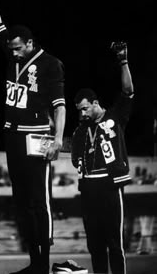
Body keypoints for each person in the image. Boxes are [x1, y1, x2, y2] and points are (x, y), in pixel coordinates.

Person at [0, 0, 66, 274]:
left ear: (29, 44)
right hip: (13, 134)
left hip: (38, 135)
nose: (11, 54)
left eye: (16, 49)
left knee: (41, 199)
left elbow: (60, 106)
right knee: (22, 200)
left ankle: (44, 263)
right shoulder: (13, 53)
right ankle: (33, 263)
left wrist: (59, 139)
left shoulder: (51, 65)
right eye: (9, 49)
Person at [71, 42, 134, 274]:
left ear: (96, 103)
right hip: (87, 188)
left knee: (114, 245)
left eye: (85, 108)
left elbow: (128, 92)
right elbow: (74, 154)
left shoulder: (115, 117)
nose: (82, 113)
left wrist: (123, 61)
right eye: (79, 110)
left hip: (110, 185)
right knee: (95, 246)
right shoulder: (80, 129)